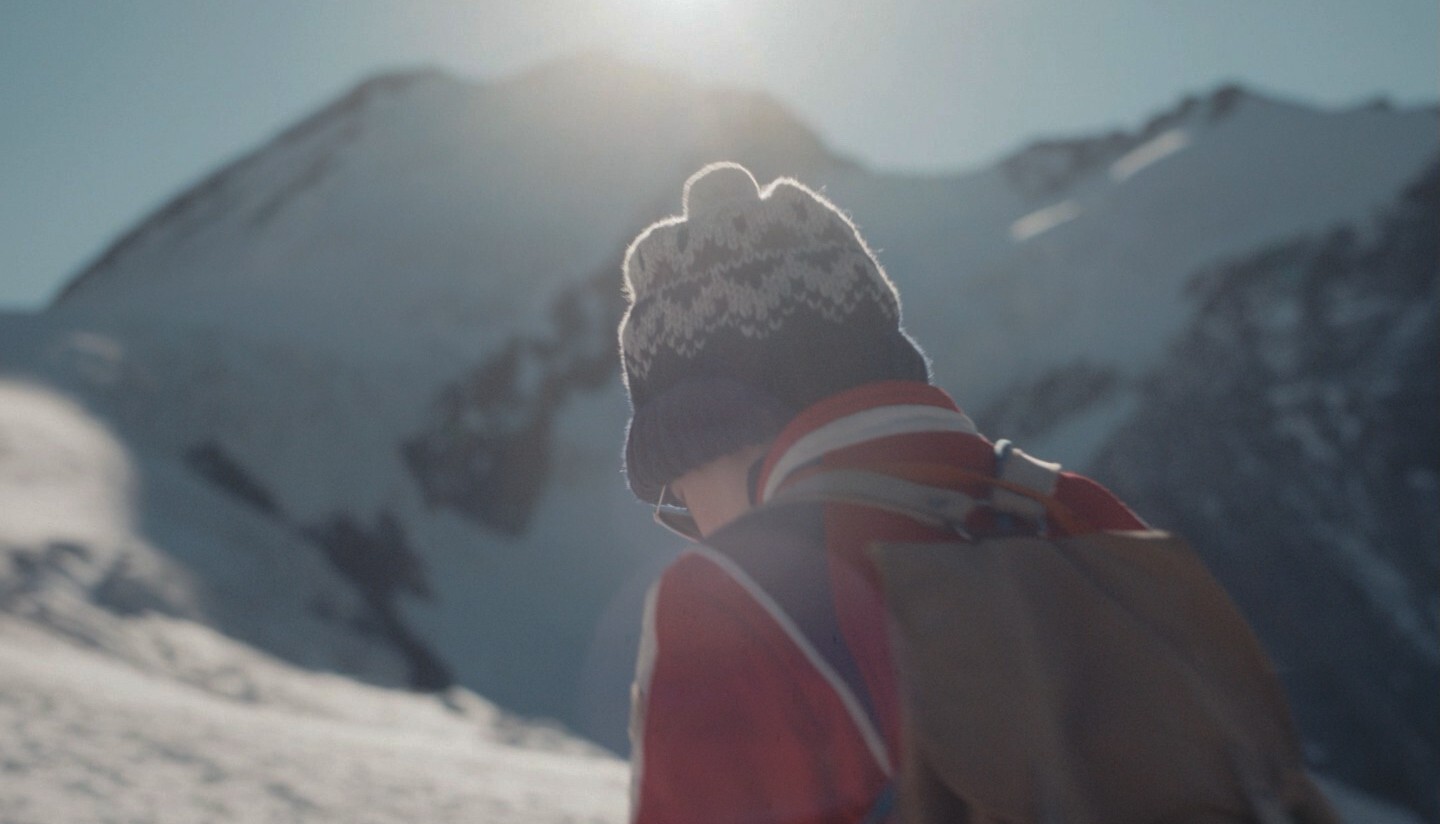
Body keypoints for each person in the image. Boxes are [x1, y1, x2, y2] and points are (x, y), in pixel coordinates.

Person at [617, 162, 1148, 822]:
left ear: (721, 433)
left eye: (677, 486)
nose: (692, 517)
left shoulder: (724, 601)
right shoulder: (1080, 512)